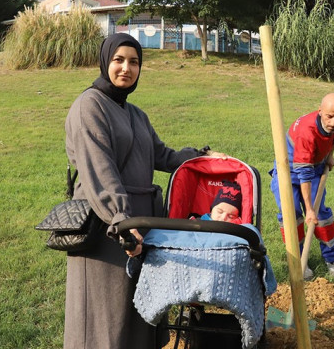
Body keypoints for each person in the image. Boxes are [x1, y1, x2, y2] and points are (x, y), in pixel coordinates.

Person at [63, 33, 224, 348]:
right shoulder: (89, 107)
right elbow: (100, 172)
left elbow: (162, 156)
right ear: (105, 61)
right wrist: (123, 222)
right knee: (104, 320)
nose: (126, 68)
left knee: (137, 312)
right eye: (118, 60)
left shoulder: (136, 114)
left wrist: (201, 157)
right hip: (107, 227)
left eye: (134, 62)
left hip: (142, 227)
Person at [270, 92, 334, 279]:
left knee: (321, 215)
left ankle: (332, 259)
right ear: (320, 111)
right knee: (291, 215)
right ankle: (298, 261)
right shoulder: (307, 132)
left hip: (315, 166)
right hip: (288, 171)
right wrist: (308, 209)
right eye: (329, 116)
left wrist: (329, 154)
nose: (333, 122)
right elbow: (303, 175)